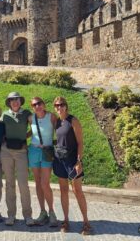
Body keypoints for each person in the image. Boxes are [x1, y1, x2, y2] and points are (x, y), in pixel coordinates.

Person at [52, 96, 92, 235]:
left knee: (77, 190)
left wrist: (79, 161)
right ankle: (66, 221)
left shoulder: (73, 121)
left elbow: (80, 143)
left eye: (61, 104)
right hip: (59, 160)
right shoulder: (56, 121)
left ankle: (86, 222)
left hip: (72, 161)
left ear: (66, 106)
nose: (59, 107)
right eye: (57, 105)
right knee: (63, 190)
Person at [0, 92, 34, 226]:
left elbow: (35, 125)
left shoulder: (26, 113)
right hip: (6, 151)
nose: (15, 102)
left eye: (17, 99)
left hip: (21, 151)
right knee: (9, 184)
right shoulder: (4, 115)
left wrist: (26, 136)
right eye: (12, 100)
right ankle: (11, 215)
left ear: (20, 101)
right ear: (9, 102)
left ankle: (28, 215)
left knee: (23, 184)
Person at [28, 97, 58, 227]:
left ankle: (52, 212)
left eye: (39, 103)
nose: (37, 106)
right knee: (38, 183)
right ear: (32, 107)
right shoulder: (31, 118)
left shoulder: (51, 117)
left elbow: (59, 131)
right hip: (33, 151)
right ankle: (42, 212)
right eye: (34, 105)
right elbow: (31, 132)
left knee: (45, 183)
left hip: (47, 152)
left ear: (44, 104)